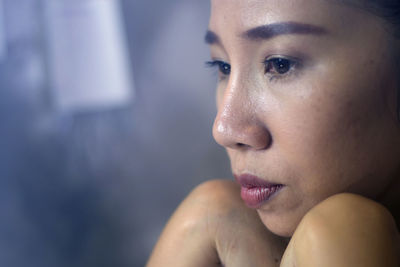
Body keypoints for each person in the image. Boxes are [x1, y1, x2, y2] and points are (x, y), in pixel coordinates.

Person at [146, 0, 400, 266]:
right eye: (223, 66)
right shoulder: (211, 225)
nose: (224, 129)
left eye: (280, 64)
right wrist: (207, 212)